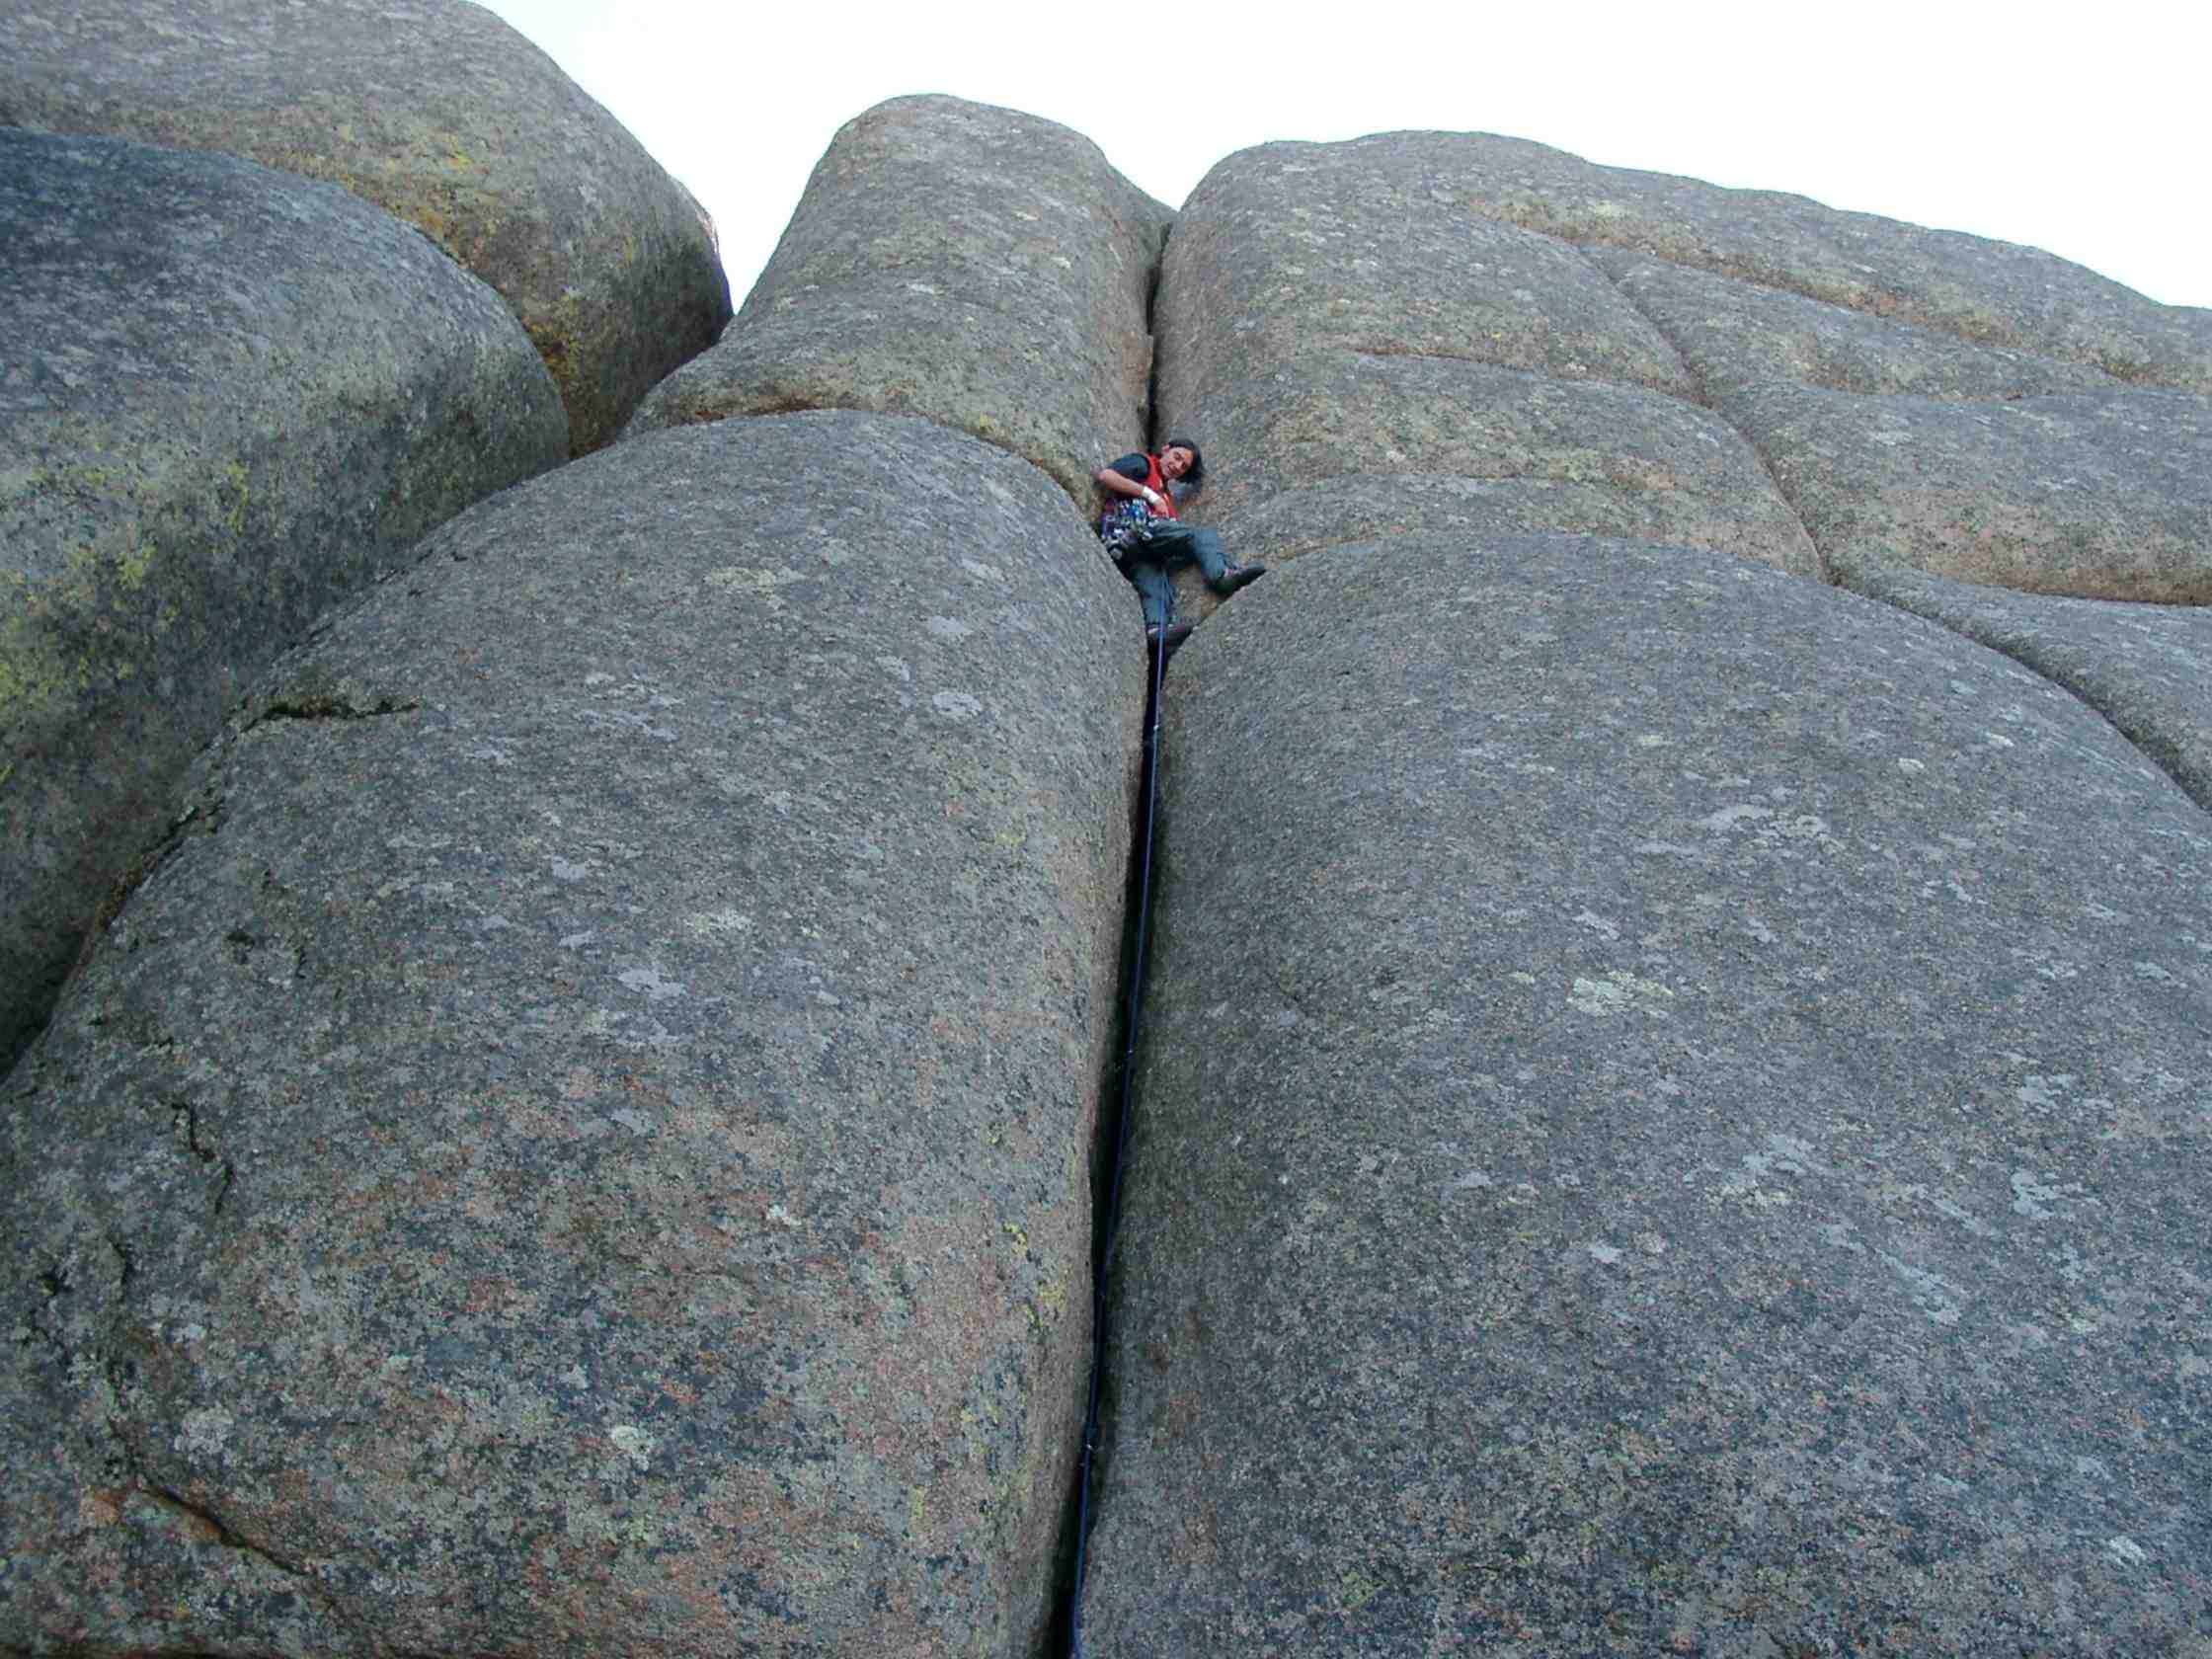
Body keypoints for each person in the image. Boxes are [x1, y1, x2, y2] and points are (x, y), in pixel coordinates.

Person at [1094, 439, 1263, 655]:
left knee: (1156, 579)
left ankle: (1156, 629)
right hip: (1134, 528)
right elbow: (1107, 476)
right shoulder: (1144, 464)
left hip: (1133, 550)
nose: (1177, 466)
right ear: (1165, 449)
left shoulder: (1167, 499)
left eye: (1183, 466)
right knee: (1200, 535)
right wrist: (1150, 495)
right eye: (1176, 457)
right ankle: (1222, 575)